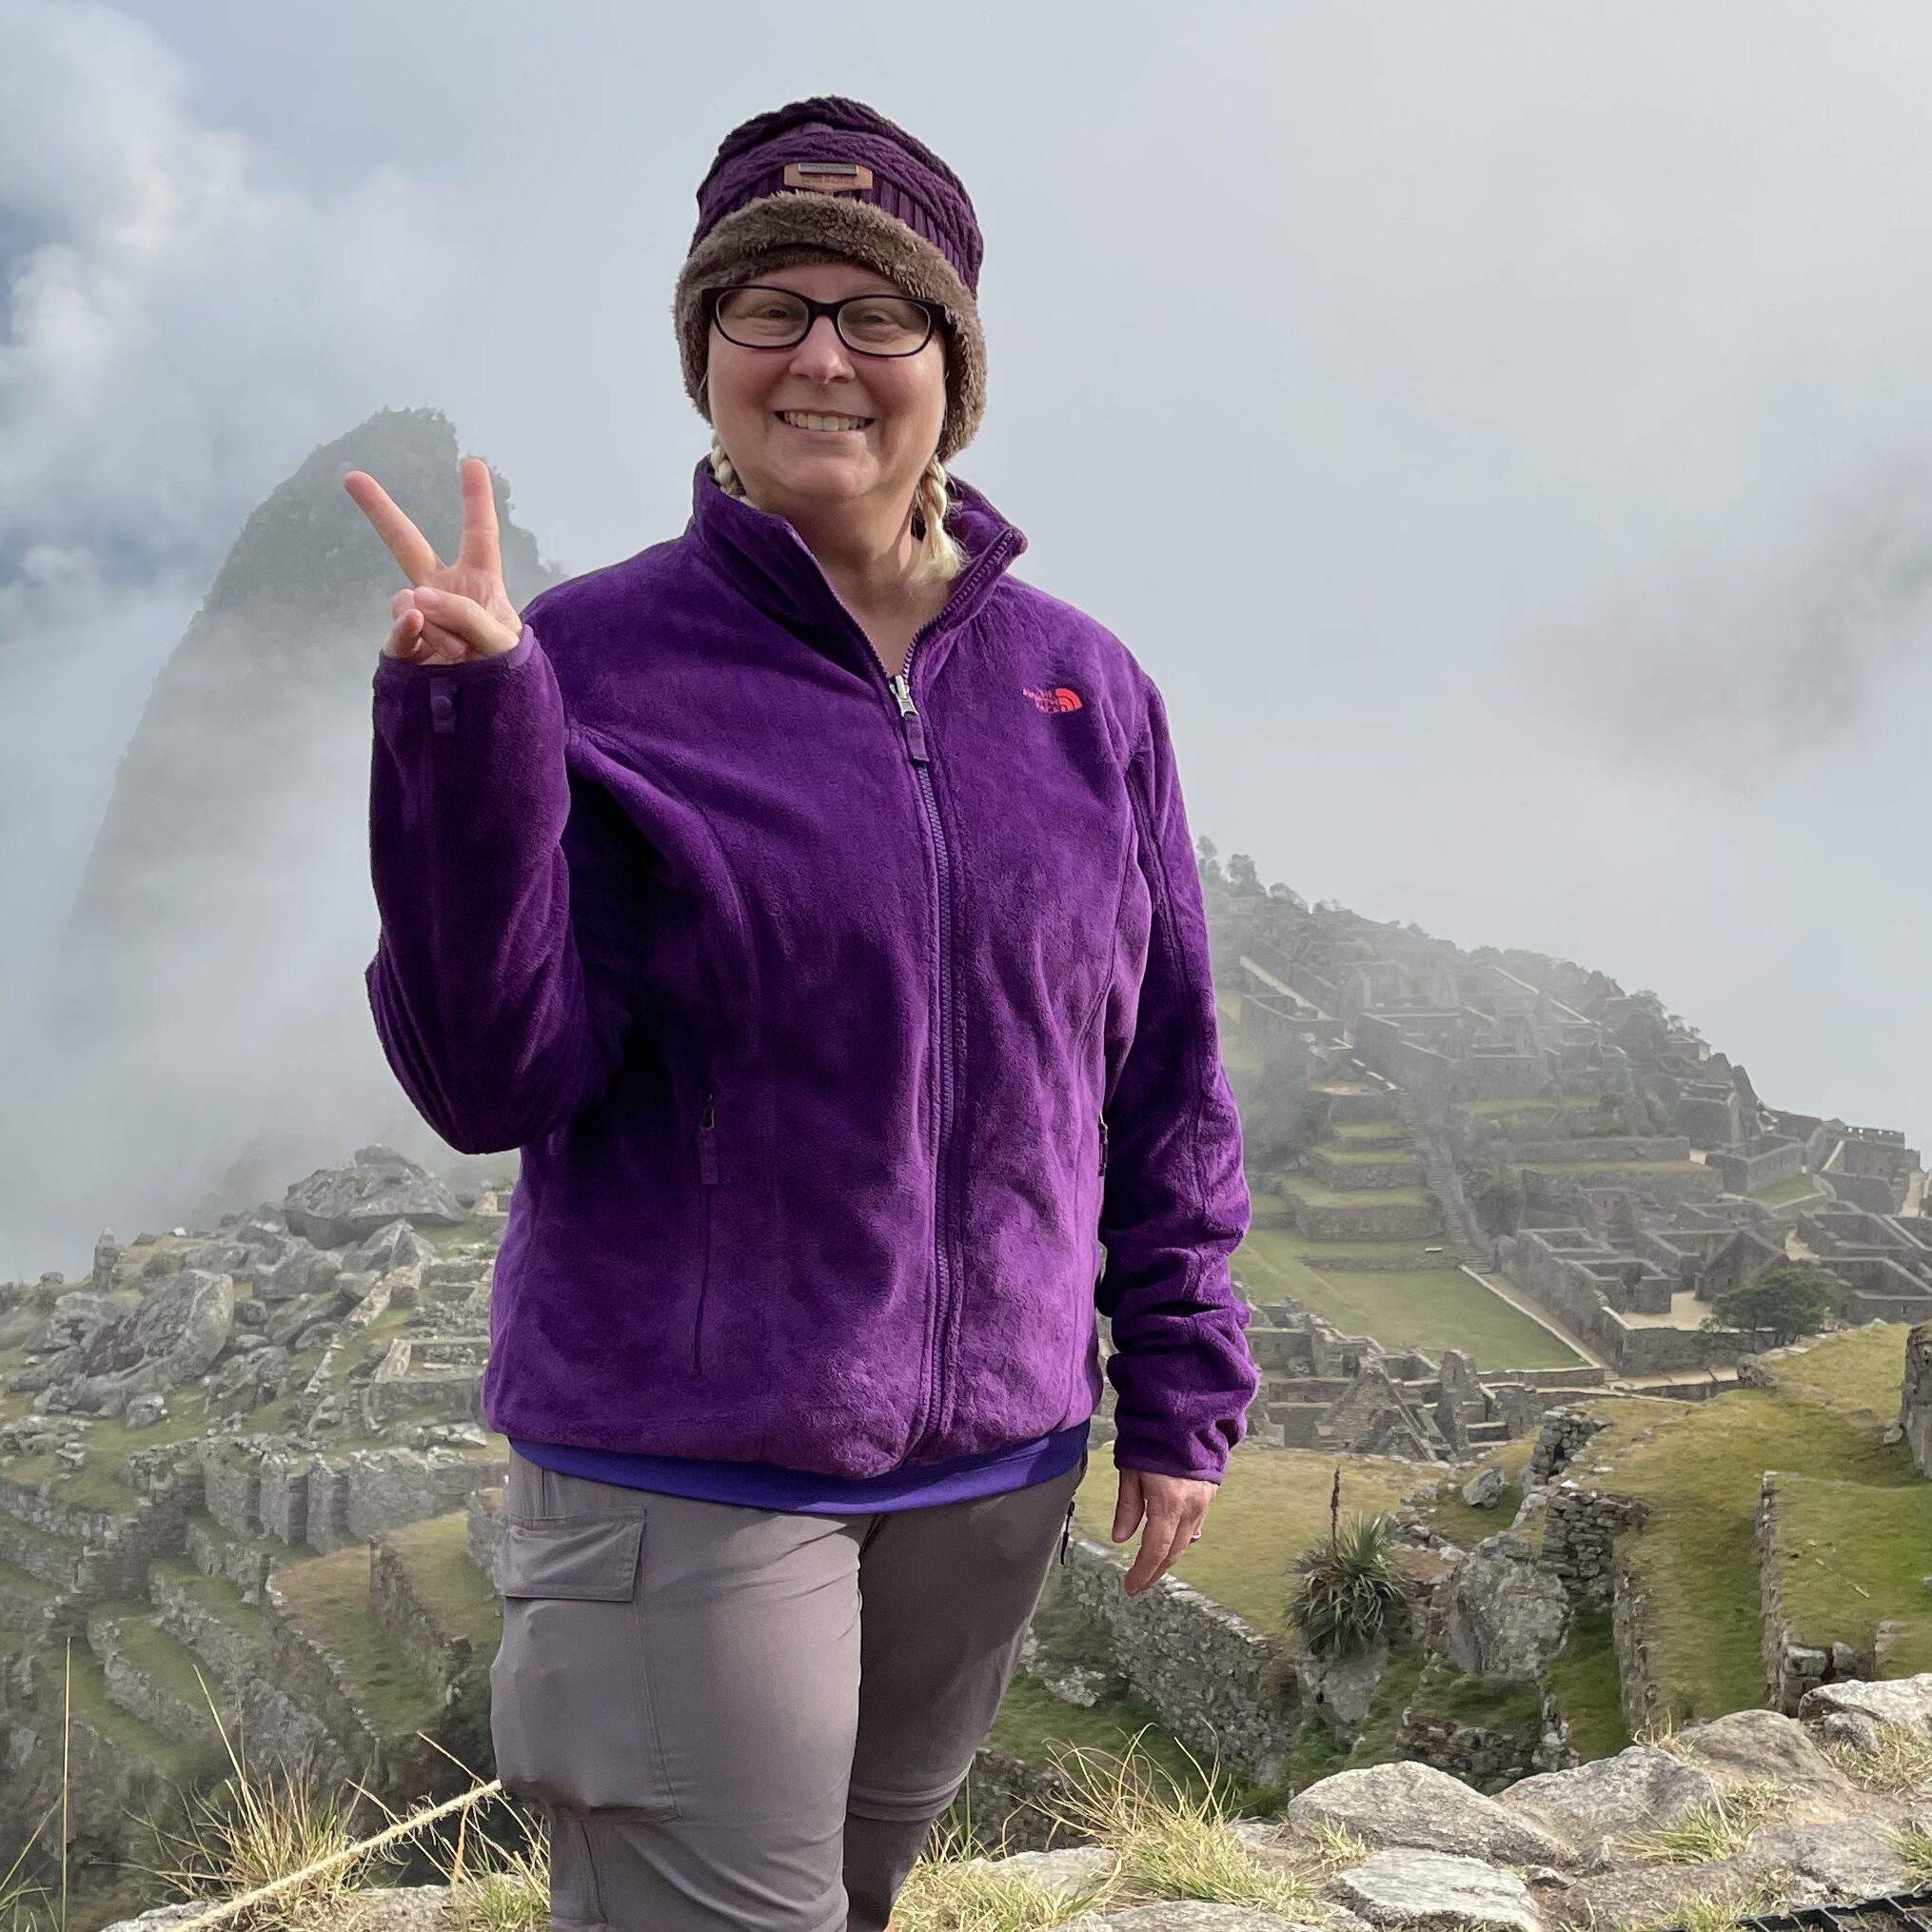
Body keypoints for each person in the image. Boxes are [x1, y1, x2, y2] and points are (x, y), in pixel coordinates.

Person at [347, 94, 1256, 1932]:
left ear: (952, 367)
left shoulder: (1084, 688)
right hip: (685, 1458)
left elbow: (1156, 1071)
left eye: (876, 312)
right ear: (704, 361)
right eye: (764, 309)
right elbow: (486, 1075)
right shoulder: (590, 662)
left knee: (850, 1899)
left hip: (992, 1463)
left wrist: (1178, 1381)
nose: (819, 355)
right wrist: (464, 738)